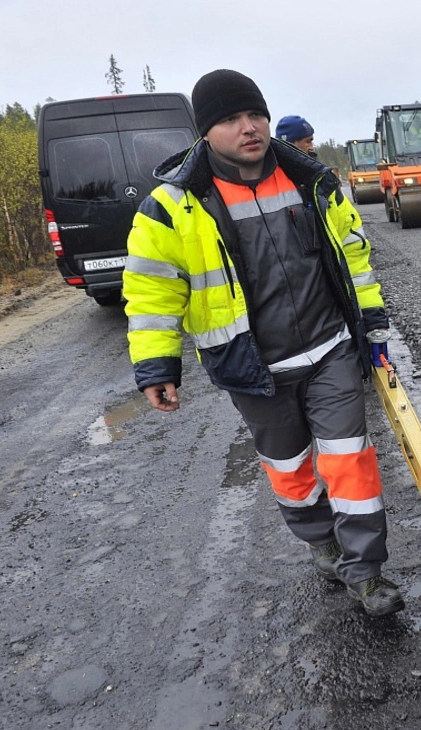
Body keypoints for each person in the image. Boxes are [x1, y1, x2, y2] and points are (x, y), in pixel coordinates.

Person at [122, 69, 403, 617]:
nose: (247, 128)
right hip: (255, 370)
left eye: (255, 115)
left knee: (351, 462)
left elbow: (355, 260)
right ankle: (321, 542)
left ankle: (366, 573)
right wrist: (157, 366)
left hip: (330, 353)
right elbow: (152, 292)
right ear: (205, 132)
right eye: (229, 119)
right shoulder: (173, 206)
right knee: (292, 470)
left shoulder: (311, 182)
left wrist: (373, 330)